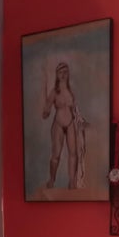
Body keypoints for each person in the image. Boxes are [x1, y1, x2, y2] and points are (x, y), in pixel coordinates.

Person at [42, 61, 87, 189]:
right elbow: (45, 114)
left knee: (73, 153)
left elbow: (75, 111)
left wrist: (81, 121)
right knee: (56, 154)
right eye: (60, 72)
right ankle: (52, 180)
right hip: (58, 125)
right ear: (57, 75)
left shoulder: (71, 92)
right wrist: (46, 109)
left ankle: (72, 182)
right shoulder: (54, 92)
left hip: (71, 123)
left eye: (65, 72)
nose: (63, 75)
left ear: (68, 74)